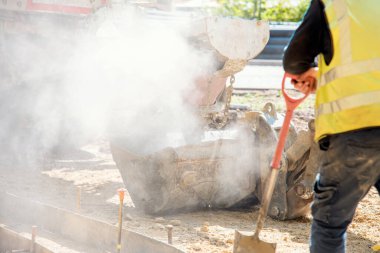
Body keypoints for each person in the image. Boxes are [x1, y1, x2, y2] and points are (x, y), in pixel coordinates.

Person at [282, 0, 380, 252]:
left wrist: (309, 72)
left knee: (330, 221)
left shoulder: (334, 4)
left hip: (357, 125)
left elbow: (294, 60)